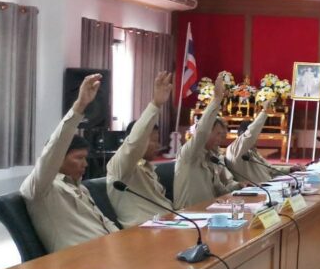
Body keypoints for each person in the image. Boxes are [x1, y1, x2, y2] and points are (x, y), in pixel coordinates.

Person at [20, 73, 119, 252]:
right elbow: (54, 149)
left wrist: (123, 242)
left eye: (85, 158)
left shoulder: (80, 187)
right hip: (79, 260)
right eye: (79, 158)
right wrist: (79, 106)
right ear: (59, 158)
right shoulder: (41, 188)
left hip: (108, 251)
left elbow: (105, 224)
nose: (85, 164)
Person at [107, 71, 175, 225]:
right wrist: (155, 105)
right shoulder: (121, 166)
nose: (158, 146)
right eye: (154, 141)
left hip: (167, 224)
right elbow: (135, 141)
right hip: (142, 231)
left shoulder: (147, 167)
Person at [174, 73, 240, 209]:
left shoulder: (212, 157)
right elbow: (201, 132)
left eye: (222, 136)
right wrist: (216, 100)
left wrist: (240, 186)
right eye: (217, 134)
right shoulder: (189, 154)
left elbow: (220, 190)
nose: (220, 139)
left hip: (209, 213)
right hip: (188, 216)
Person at [225, 97, 291, 183]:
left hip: (268, 186)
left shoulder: (252, 151)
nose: (256, 138)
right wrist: (264, 112)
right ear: (242, 134)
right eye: (256, 135)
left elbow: (269, 169)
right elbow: (251, 133)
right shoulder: (235, 149)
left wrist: (290, 169)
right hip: (253, 189)